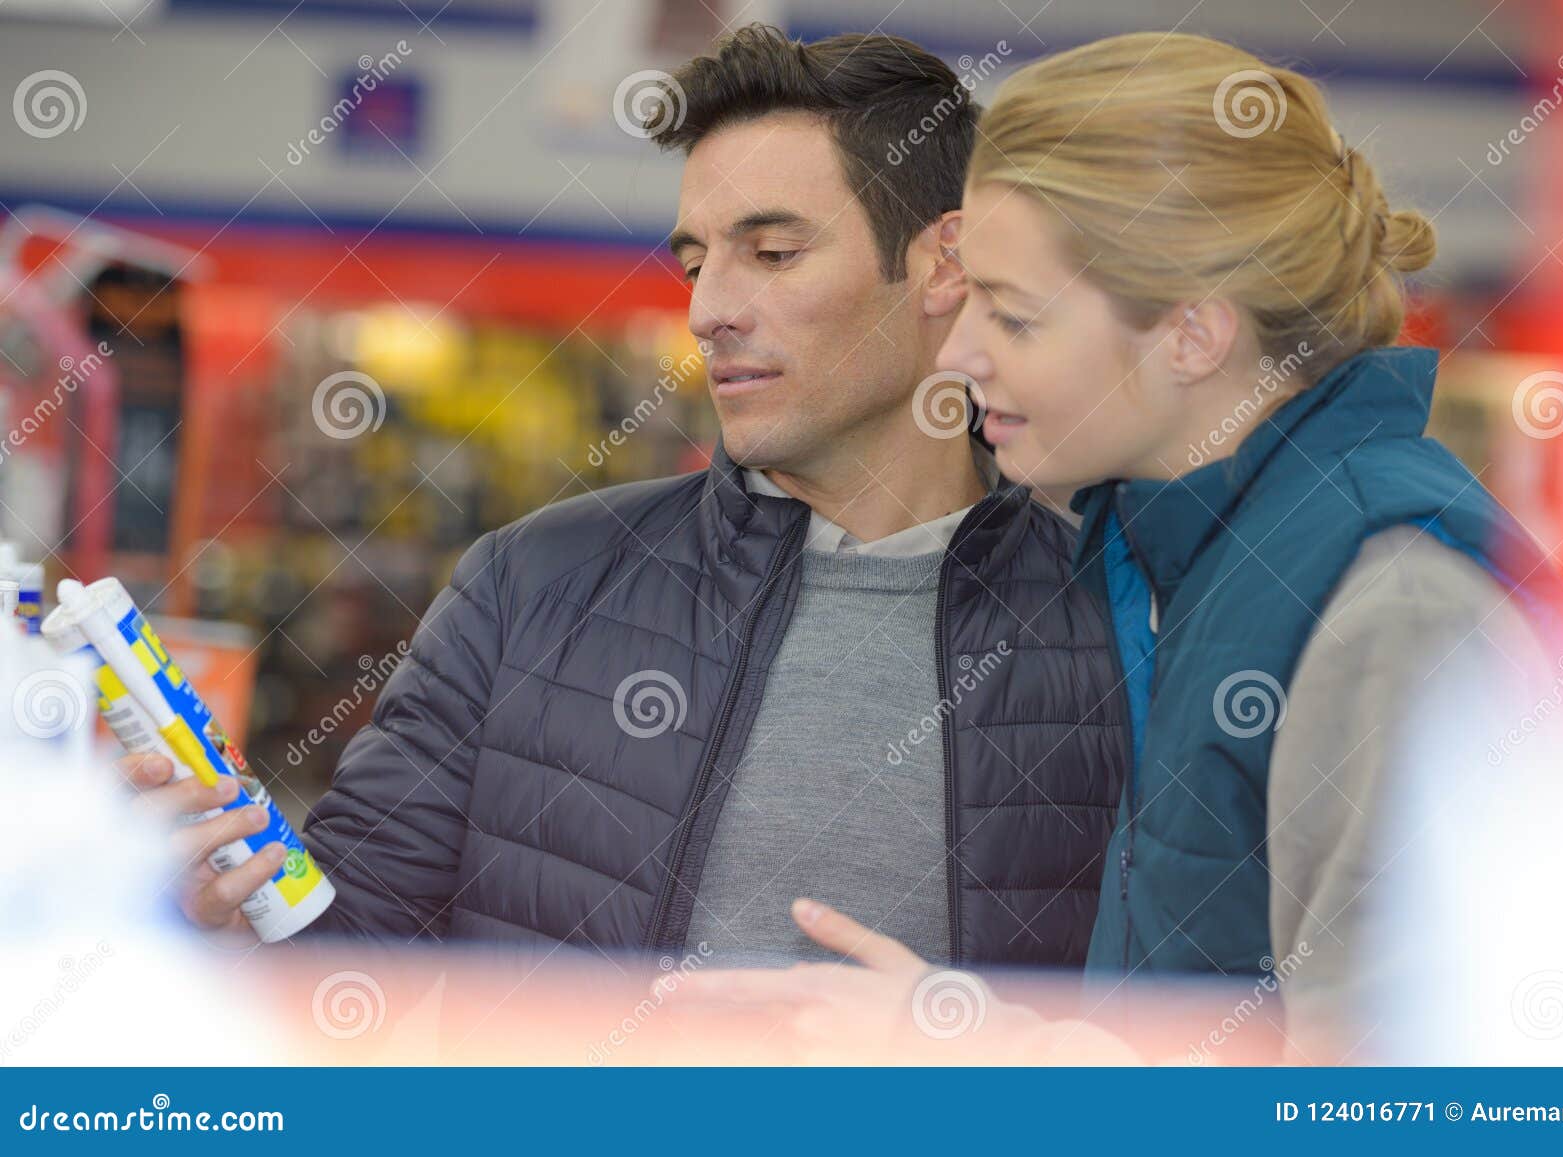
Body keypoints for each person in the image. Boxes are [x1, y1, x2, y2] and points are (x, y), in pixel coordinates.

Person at [115, 25, 1128, 977]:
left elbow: (1190, 1023)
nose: (710, 310)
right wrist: (224, 908)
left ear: (942, 263)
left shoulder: (1119, 619)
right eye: (696, 261)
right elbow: (348, 948)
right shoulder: (531, 586)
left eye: (772, 253)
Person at [684, 30, 1563, 1058]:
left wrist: (983, 1054)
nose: (960, 348)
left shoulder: (1397, 606)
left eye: (1015, 316)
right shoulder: (1174, 552)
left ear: (1194, 336)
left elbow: (1411, 1102)